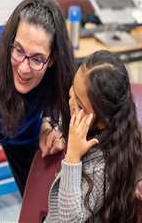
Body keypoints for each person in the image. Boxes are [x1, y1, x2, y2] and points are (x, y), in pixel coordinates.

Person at [0, 0, 75, 222]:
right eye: (19, 50)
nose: (23, 68)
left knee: (42, 206)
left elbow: (69, 110)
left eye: (37, 59)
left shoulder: (62, 69)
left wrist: (51, 125)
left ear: (51, 60)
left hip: (24, 129)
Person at [45, 50, 142, 222]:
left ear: (103, 122)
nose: (70, 101)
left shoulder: (102, 168)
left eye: (80, 105)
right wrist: (50, 126)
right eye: (73, 89)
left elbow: (68, 220)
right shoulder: (101, 123)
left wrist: (73, 158)